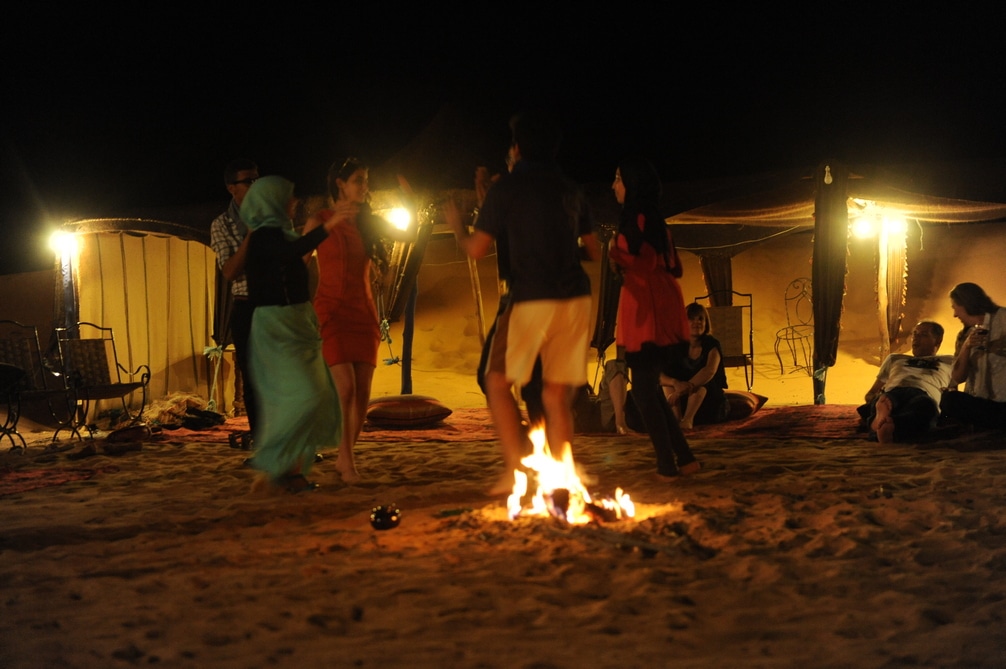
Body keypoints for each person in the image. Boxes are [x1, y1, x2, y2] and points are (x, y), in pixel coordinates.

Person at [445, 111, 600, 494]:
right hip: (576, 296)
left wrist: (456, 227)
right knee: (555, 395)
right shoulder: (572, 188)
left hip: (532, 296)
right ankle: (561, 478)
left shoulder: (507, 189)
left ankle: (515, 470)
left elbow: (478, 249)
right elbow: (594, 251)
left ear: (516, 148)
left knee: (495, 381)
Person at [303, 158, 414, 482]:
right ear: (340, 184)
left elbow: (406, 235)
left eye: (366, 181)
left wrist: (408, 200)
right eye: (359, 180)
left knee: (362, 395)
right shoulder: (320, 219)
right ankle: (347, 461)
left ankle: (343, 459)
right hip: (332, 311)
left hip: (363, 314)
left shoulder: (368, 222)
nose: (365, 187)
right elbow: (298, 259)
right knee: (346, 388)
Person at [241, 176, 350, 492]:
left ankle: (293, 472)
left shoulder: (280, 235)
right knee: (301, 397)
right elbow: (292, 252)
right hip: (277, 329)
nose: (295, 203)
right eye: (288, 199)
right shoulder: (263, 238)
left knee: (316, 395)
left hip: (297, 324)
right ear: (273, 202)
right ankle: (277, 466)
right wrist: (329, 226)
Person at [608, 157, 699, 479]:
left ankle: (667, 464)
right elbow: (676, 267)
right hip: (662, 300)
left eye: (618, 178)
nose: (613, 185)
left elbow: (644, 263)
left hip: (647, 308)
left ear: (632, 183)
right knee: (647, 387)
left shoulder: (636, 215)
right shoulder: (657, 218)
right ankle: (683, 459)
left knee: (645, 391)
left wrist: (614, 253)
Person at [209, 159, 259, 437]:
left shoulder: (273, 218)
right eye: (248, 181)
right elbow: (229, 270)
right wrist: (252, 235)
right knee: (253, 381)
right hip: (248, 307)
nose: (255, 186)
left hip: (276, 304)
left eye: (257, 180)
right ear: (232, 188)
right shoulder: (222, 224)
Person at [857, 320, 953, 443]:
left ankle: (879, 424)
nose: (916, 338)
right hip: (895, 391)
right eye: (914, 334)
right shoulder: (895, 358)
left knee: (925, 407)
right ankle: (888, 423)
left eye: (923, 335)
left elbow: (953, 390)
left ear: (937, 341)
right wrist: (872, 399)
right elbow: (871, 392)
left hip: (924, 393)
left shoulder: (949, 361)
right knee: (885, 401)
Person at [941, 282, 1006, 429]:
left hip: (1003, 402)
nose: (954, 314)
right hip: (980, 403)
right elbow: (958, 378)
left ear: (965, 304)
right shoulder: (964, 335)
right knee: (949, 399)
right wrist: (966, 346)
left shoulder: (1003, 318)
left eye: (954, 307)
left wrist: (1000, 348)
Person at [660, 302, 729, 430]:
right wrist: (675, 383)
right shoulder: (674, 345)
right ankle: (676, 419)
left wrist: (685, 388)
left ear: (706, 322)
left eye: (700, 319)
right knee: (668, 382)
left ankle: (687, 420)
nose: (696, 322)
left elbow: (709, 371)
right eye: (691, 319)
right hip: (680, 400)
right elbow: (658, 374)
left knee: (702, 383)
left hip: (708, 402)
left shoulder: (712, 344)